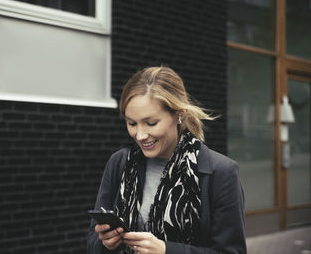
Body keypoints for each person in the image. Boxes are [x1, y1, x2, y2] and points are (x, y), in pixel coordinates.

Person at [87, 66, 246, 254]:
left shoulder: (222, 172)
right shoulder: (119, 163)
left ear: (179, 114)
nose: (140, 135)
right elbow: (92, 243)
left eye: (151, 123)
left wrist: (166, 250)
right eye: (131, 123)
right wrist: (104, 243)